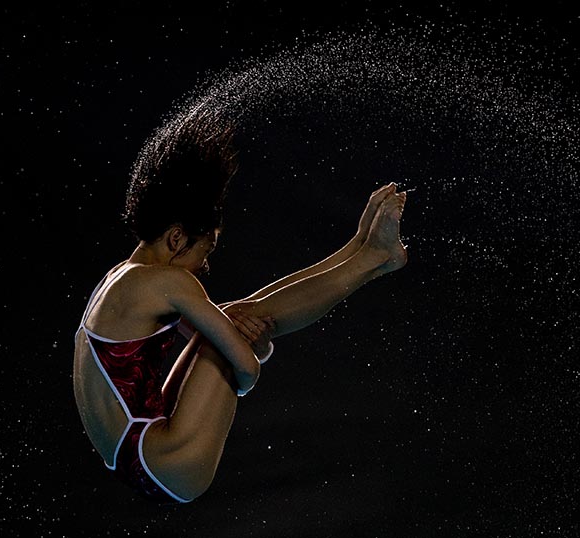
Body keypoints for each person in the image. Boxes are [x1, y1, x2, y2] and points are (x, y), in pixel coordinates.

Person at [72, 109, 408, 503]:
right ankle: (371, 259)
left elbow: (230, 336)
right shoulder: (168, 281)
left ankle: (360, 250)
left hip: (132, 460)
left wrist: (246, 342)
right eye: (206, 249)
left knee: (231, 316)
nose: (206, 264)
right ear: (178, 238)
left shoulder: (119, 278)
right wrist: (247, 359)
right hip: (164, 460)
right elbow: (247, 368)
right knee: (239, 320)